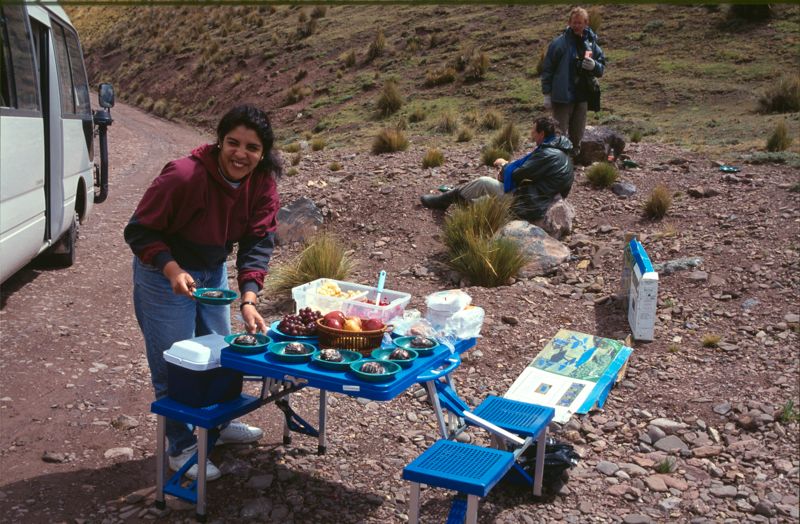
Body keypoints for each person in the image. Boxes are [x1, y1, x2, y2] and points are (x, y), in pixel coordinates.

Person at [124, 105, 282, 481]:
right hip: (164, 272)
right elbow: (139, 231)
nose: (241, 154)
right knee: (174, 361)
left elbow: (258, 241)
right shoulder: (183, 175)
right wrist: (171, 268)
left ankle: (219, 425)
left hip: (213, 269)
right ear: (219, 141)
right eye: (233, 143)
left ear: (263, 153)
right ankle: (180, 446)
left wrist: (248, 296)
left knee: (221, 352)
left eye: (252, 148)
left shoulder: (261, 183)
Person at [420, 116, 573, 221]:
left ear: (542, 133)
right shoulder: (560, 152)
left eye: (534, 131)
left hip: (528, 203)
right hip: (538, 197)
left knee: (483, 182)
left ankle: (444, 201)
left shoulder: (546, 154)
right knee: (483, 198)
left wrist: (504, 167)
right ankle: (460, 199)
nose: (532, 134)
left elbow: (518, 174)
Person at [541, 6, 605, 158]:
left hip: (582, 96)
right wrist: (547, 94)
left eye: (580, 23)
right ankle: (557, 162)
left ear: (586, 23)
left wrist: (595, 65)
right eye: (574, 22)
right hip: (562, 96)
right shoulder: (559, 44)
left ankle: (573, 160)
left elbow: (601, 68)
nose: (577, 26)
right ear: (569, 23)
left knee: (578, 133)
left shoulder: (591, 43)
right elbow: (547, 70)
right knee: (559, 133)